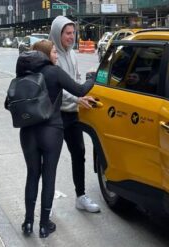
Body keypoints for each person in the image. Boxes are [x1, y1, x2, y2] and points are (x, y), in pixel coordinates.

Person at [6, 40, 94, 238]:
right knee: (49, 176)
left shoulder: (24, 74)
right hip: (51, 131)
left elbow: (8, 103)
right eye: (54, 51)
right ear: (46, 54)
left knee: (32, 175)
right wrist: (92, 78)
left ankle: (28, 222)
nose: (56, 55)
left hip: (27, 133)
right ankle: (44, 225)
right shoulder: (54, 72)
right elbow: (80, 90)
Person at [49, 16, 100, 213]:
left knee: (79, 154)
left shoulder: (72, 54)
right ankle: (48, 202)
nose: (72, 37)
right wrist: (77, 99)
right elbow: (56, 90)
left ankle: (81, 196)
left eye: (73, 33)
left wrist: (79, 99)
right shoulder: (52, 56)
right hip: (55, 116)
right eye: (67, 33)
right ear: (57, 34)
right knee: (51, 159)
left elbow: (76, 81)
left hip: (72, 115)